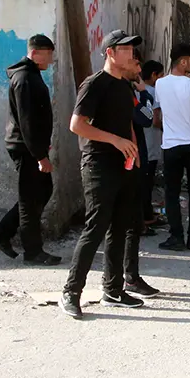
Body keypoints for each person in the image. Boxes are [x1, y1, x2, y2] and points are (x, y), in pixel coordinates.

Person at [61, 30, 146, 320]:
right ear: (110, 52)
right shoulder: (94, 84)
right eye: (126, 48)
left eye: (133, 49)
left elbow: (127, 124)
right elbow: (77, 125)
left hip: (124, 165)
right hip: (98, 165)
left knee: (119, 227)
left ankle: (113, 289)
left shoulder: (124, 85)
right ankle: (71, 292)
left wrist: (132, 149)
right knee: (95, 227)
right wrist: (115, 141)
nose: (132, 53)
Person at [0, 34, 62, 265]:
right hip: (25, 148)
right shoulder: (24, 79)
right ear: (36, 53)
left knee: (42, 191)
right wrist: (39, 155)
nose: (50, 61)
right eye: (48, 55)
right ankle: (33, 252)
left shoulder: (31, 75)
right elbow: (27, 121)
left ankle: (2, 232)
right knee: (30, 199)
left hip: (31, 147)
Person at [154, 43, 190, 252]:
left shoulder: (160, 84)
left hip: (171, 145)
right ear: (183, 61)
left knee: (171, 192)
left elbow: (157, 116)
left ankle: (175, 236)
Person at [122, 75, 162, 297]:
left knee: (131, 224)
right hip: (128, 166)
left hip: (134, 163)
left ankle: (127, 277)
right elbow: (146, 118)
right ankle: (127, 278)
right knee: (128, 225)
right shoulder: (127, 94)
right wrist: (144, 93)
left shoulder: (127, 92)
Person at [140, 60, 165, 227]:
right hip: (151, 144)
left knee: (142, 183)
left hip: (140, 145)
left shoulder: (136, 91)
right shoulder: (153, 93)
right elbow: (155, 120)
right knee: (147, 185)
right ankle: (146, 217)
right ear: (154, 75)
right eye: (161, 76)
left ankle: (145, 215)